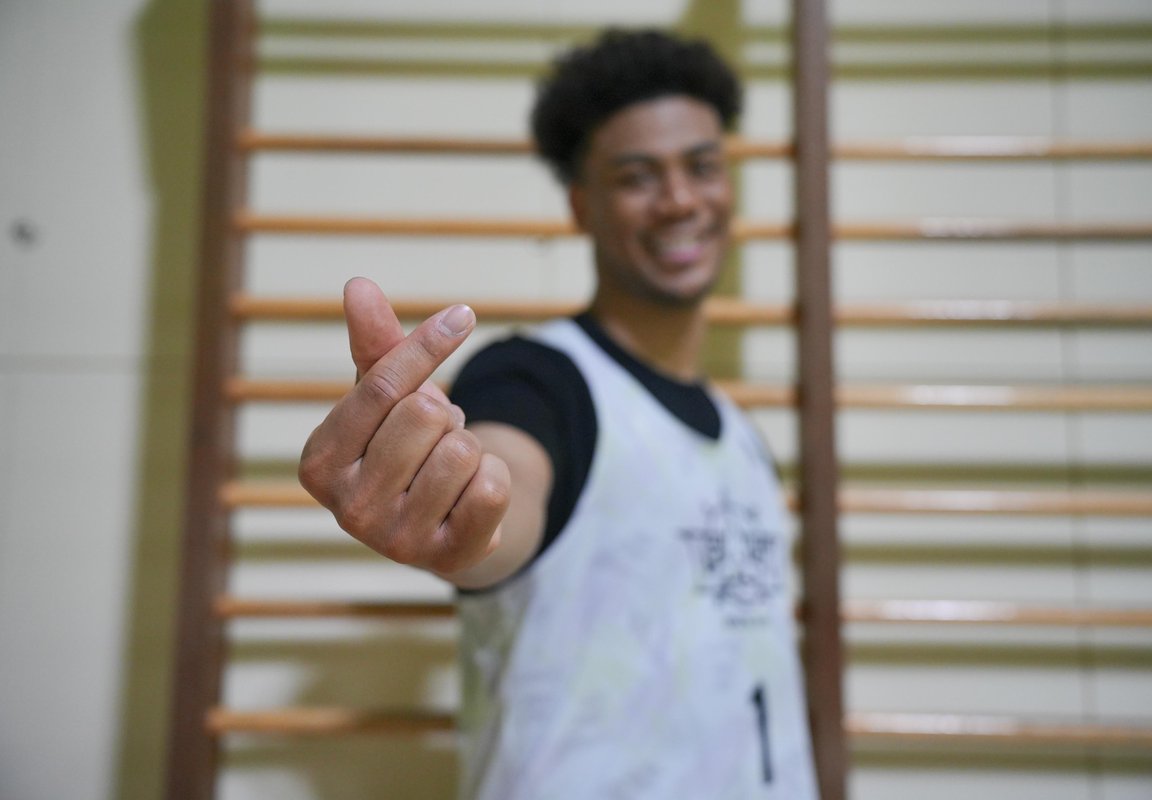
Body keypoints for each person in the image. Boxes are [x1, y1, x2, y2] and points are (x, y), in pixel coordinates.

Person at [299, 29, 817, 800]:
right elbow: (503, 498)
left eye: (703, 167)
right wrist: (459, 517)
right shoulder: (535, 379)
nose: (681, 199)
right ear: (581, 206)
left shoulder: (741, 436)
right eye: (637, 177)